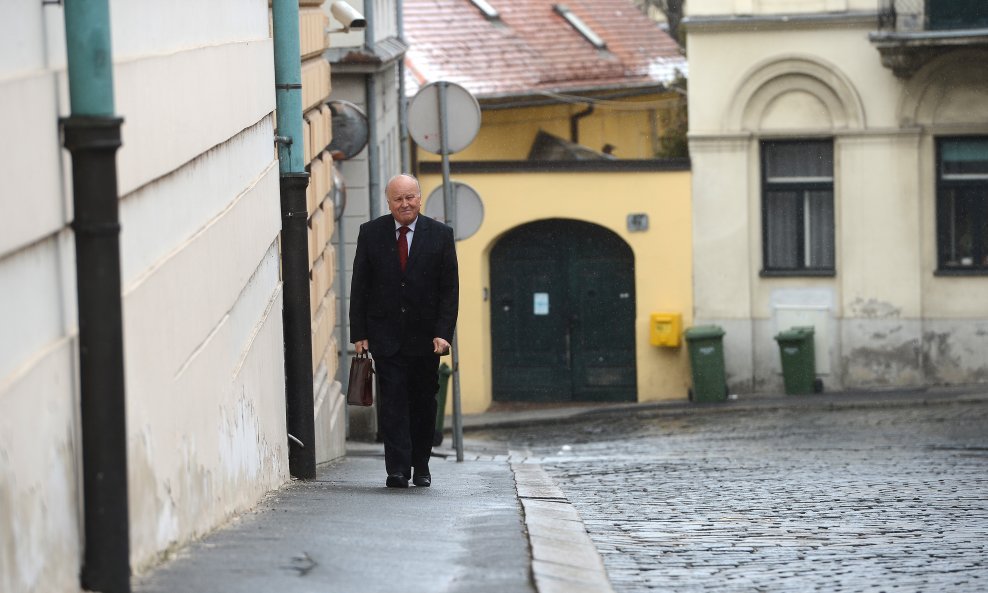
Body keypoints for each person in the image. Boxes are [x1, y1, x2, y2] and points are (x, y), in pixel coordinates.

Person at [349, 174, 459, 488]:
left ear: (420, 199)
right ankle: (397, 469)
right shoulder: (371, 233)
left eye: (410, 197)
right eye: (398, 199)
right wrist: (360, 333)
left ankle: (421, 464)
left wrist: (444, 333)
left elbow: (449, 289)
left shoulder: (440, 235)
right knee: (393, 402)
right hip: (385, 336)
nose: (405, 204)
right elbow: (360, 286)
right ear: (389, 202)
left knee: (424, 404)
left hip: (426, 340)